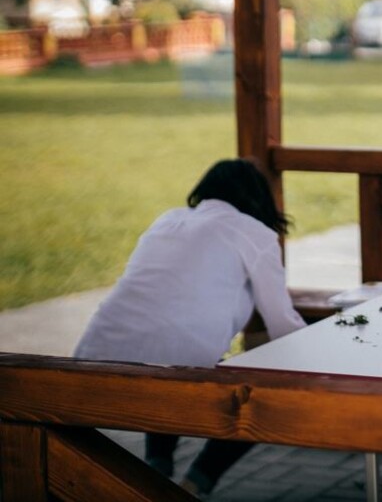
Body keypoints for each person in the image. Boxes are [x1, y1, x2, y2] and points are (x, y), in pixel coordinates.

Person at [74, 158, 305, 498]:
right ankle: (194, 483)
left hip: (88, 365)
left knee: (164, 360)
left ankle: (156, 469)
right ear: (258, 199)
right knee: (264, 399)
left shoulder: (167, 219)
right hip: (175, 380)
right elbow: (281, 322)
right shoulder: (254, 232)